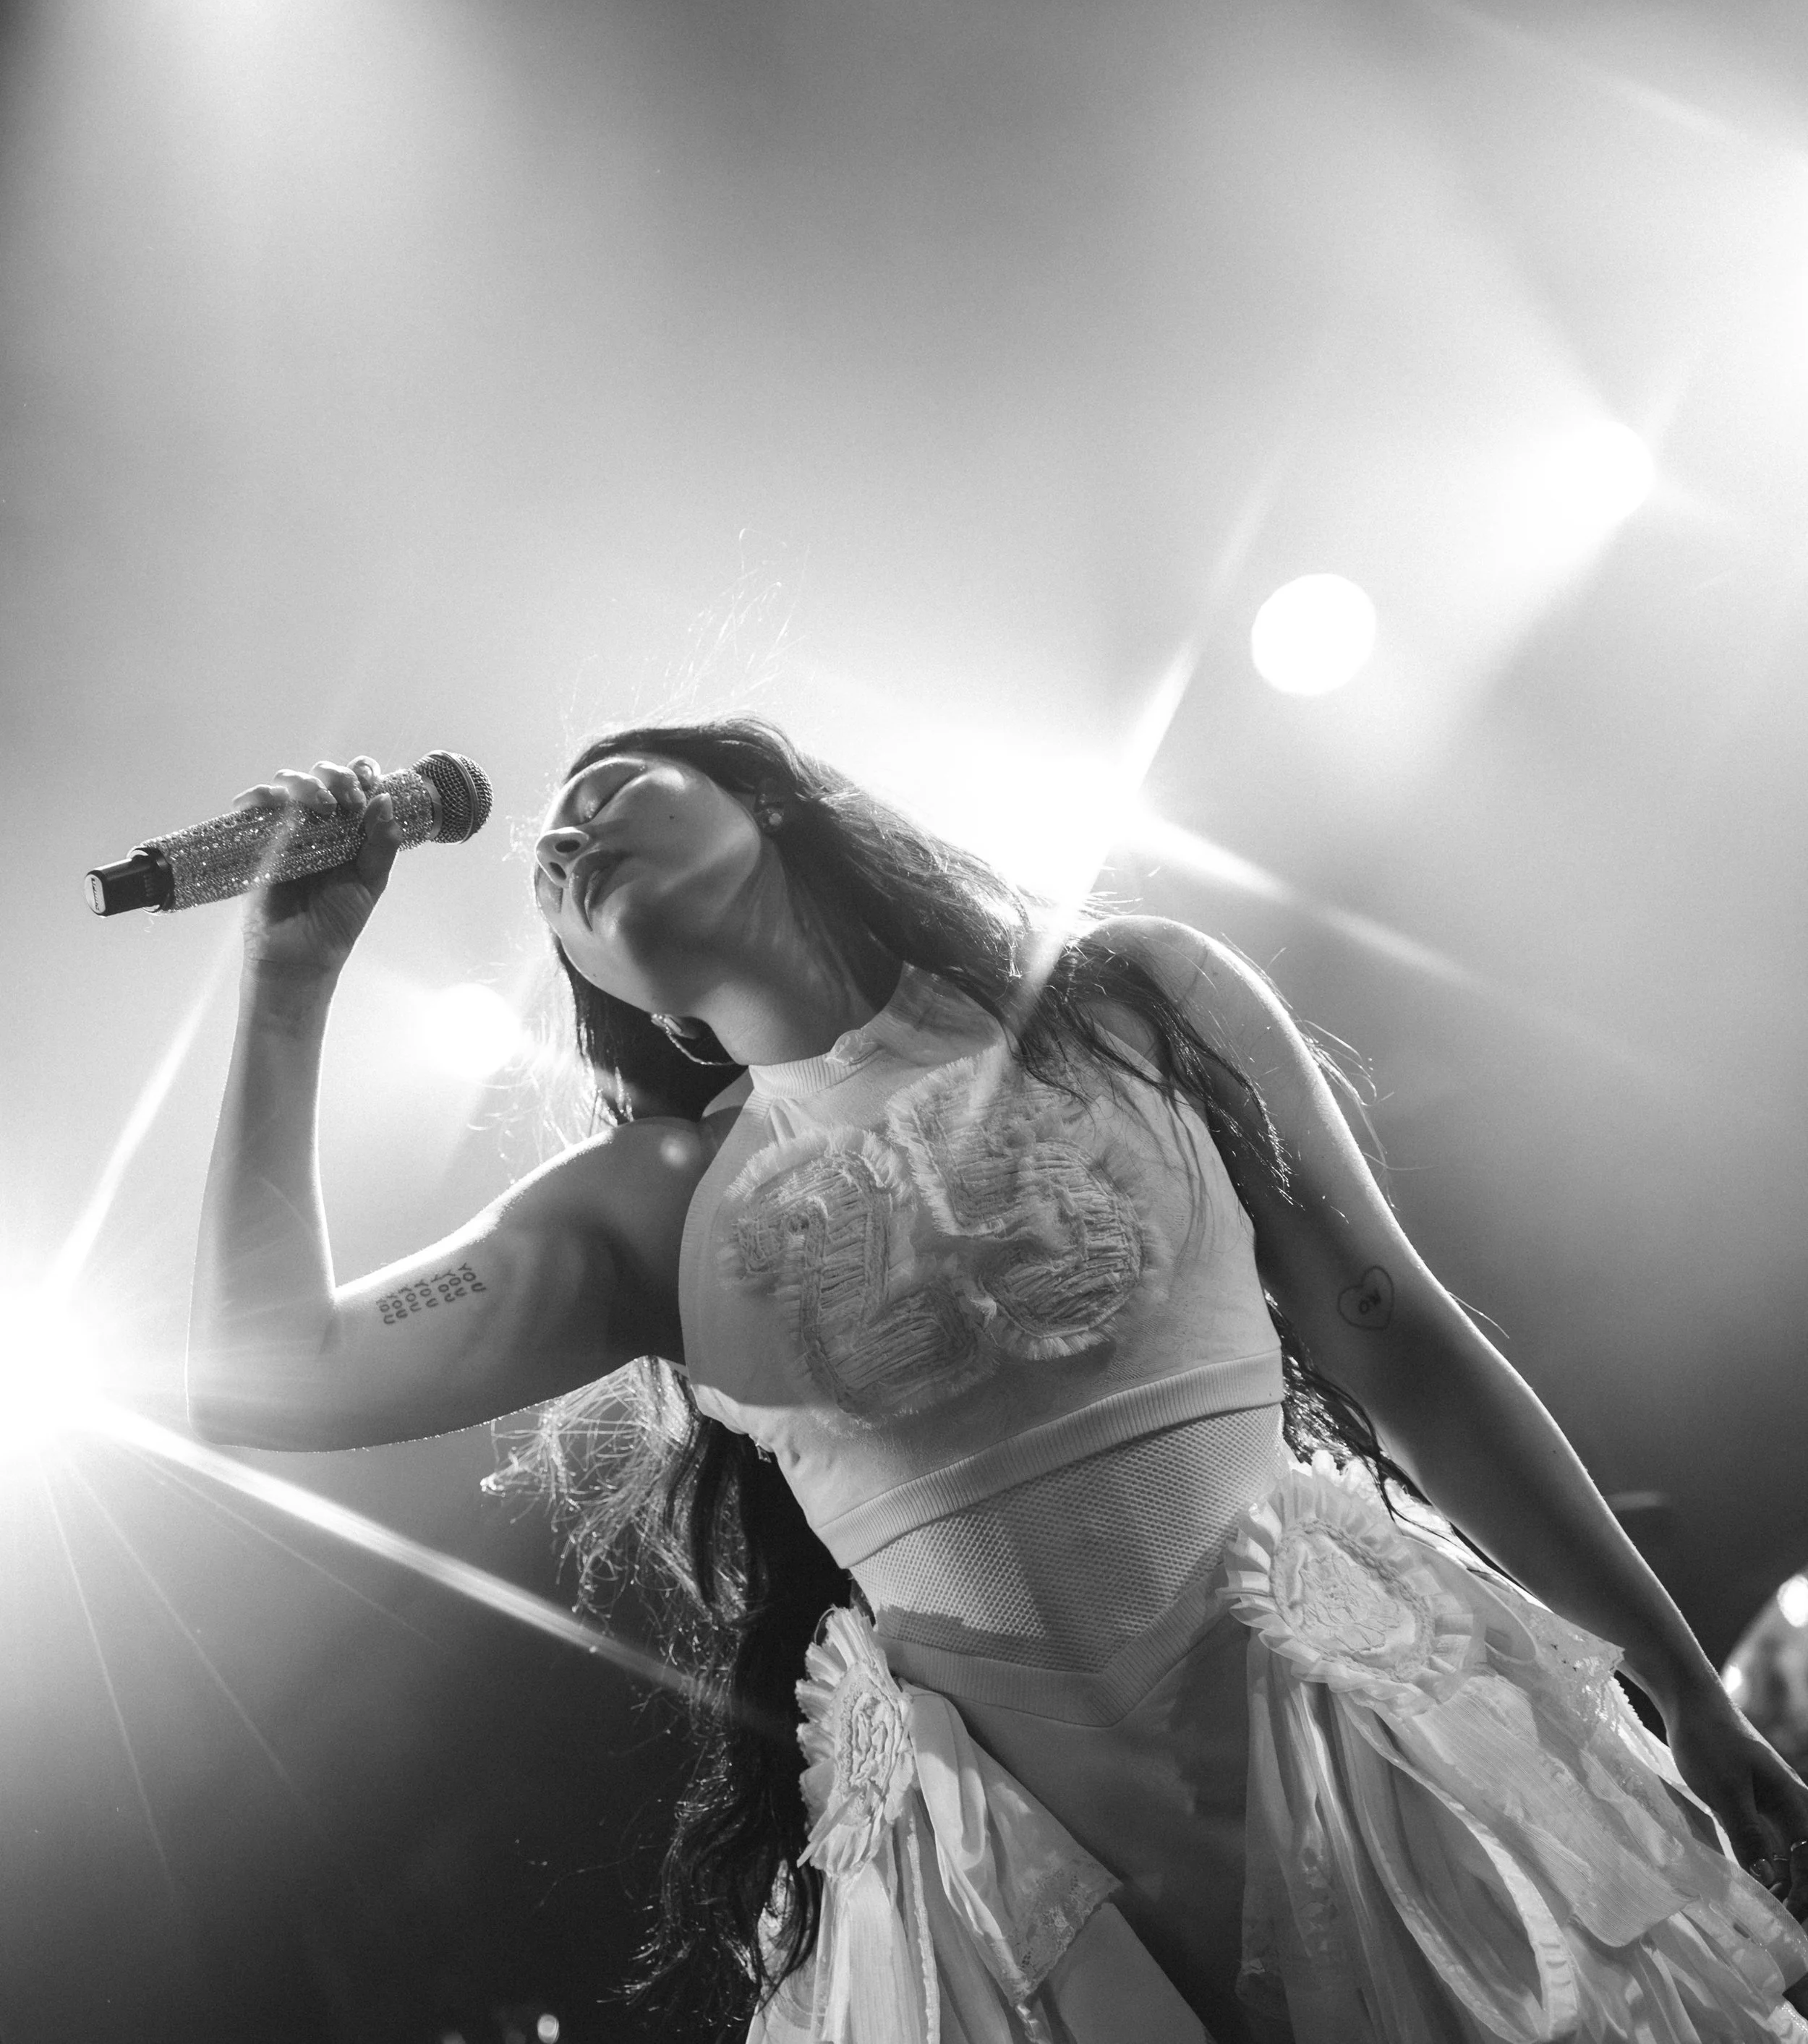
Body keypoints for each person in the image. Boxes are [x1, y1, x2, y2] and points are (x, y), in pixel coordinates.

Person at [188, 718, 1808, 2044]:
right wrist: (288, 981)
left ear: (768, 795)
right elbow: (265, 1377)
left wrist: (1680, 1683)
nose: (565, 836)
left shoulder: (1138, 1000)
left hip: (1369, 1777)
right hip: (1015, 1910)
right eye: (549, 862)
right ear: (606, 987)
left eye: (610, 788)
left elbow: (1410, 1352)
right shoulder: (656, 1208)